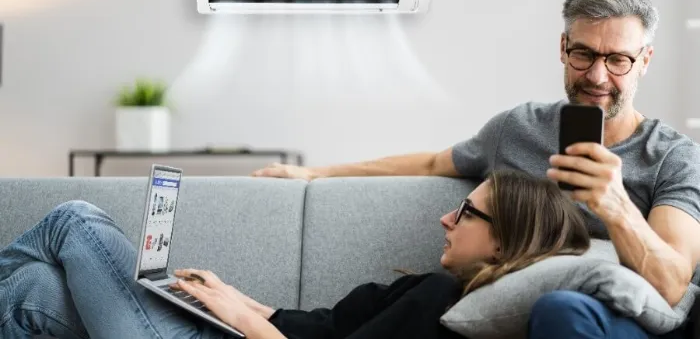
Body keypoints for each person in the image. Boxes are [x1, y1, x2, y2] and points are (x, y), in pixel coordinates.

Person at [251, 0, 700, 338]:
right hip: (502, 309)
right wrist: (314, 173)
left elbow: (670, 282)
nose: (598, 75)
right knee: (429, 294)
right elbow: (431, 163)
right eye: (583, 54)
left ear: (644, 61)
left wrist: (616, 206)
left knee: (561, 312)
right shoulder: (517, 129)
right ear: (563, 48)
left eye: (618, 59)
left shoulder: (673, 158)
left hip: (608, 320)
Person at [0, 170, 589, 338]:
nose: (445, 217)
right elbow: (317, 327)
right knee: (36, 295)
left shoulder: (444, 302)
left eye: (466, 213)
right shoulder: (433, 290)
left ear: (506, 239)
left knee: (76, 218)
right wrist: (232, 297)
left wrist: (233, 318)